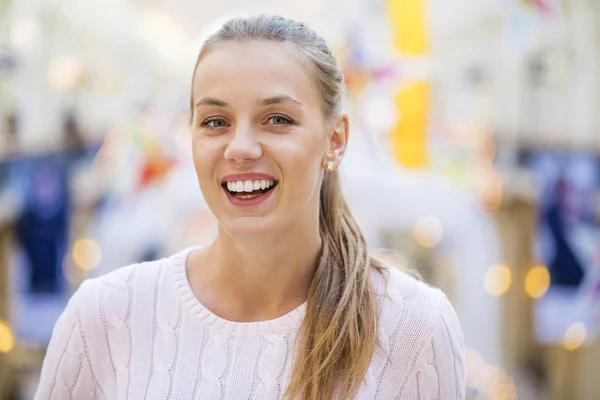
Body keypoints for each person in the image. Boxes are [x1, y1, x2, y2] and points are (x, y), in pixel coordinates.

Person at [35, 15, 465, 399]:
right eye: (215, 122)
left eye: (277, 119)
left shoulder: (415, 326)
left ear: (334, 141)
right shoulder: (106, 315)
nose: (240, 148)